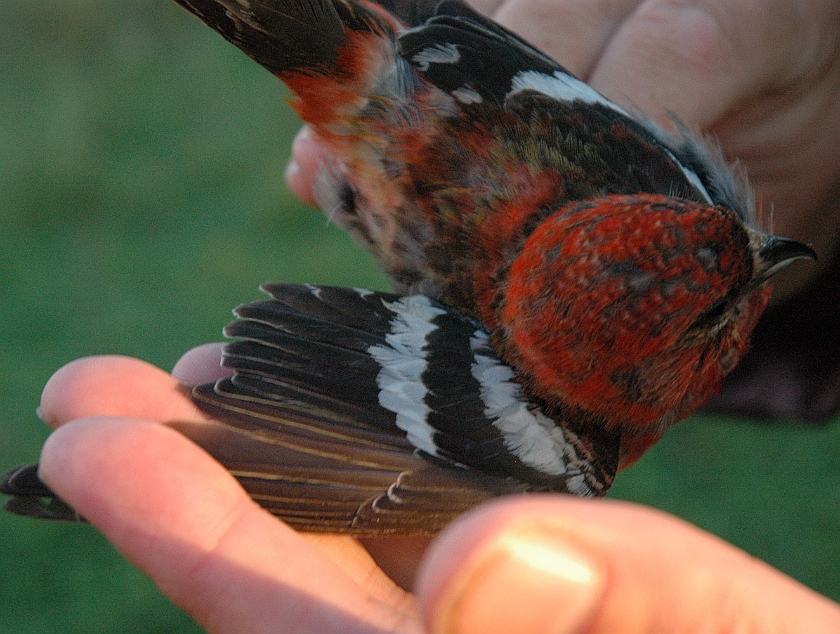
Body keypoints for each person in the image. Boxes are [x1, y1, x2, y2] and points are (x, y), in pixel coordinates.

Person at [34, 0, 840, 632]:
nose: (762, 245)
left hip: (409, 88)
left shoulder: (654, 185)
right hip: (383, 119)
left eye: (740, 265)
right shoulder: (568, 431)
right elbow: (383, 452)